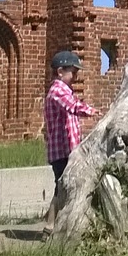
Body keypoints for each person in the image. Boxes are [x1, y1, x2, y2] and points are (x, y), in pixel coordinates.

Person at [42, 50, 99, 240]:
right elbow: (72, 106)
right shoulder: (57, 90)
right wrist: (92, 111)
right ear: (60, 72)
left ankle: (49, 227)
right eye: (72, 72)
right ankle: (53, 228)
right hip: (61, 151)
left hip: (67, 149)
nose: (75, 77)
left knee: (61, 186)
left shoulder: (64, 91)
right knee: (62, 187)